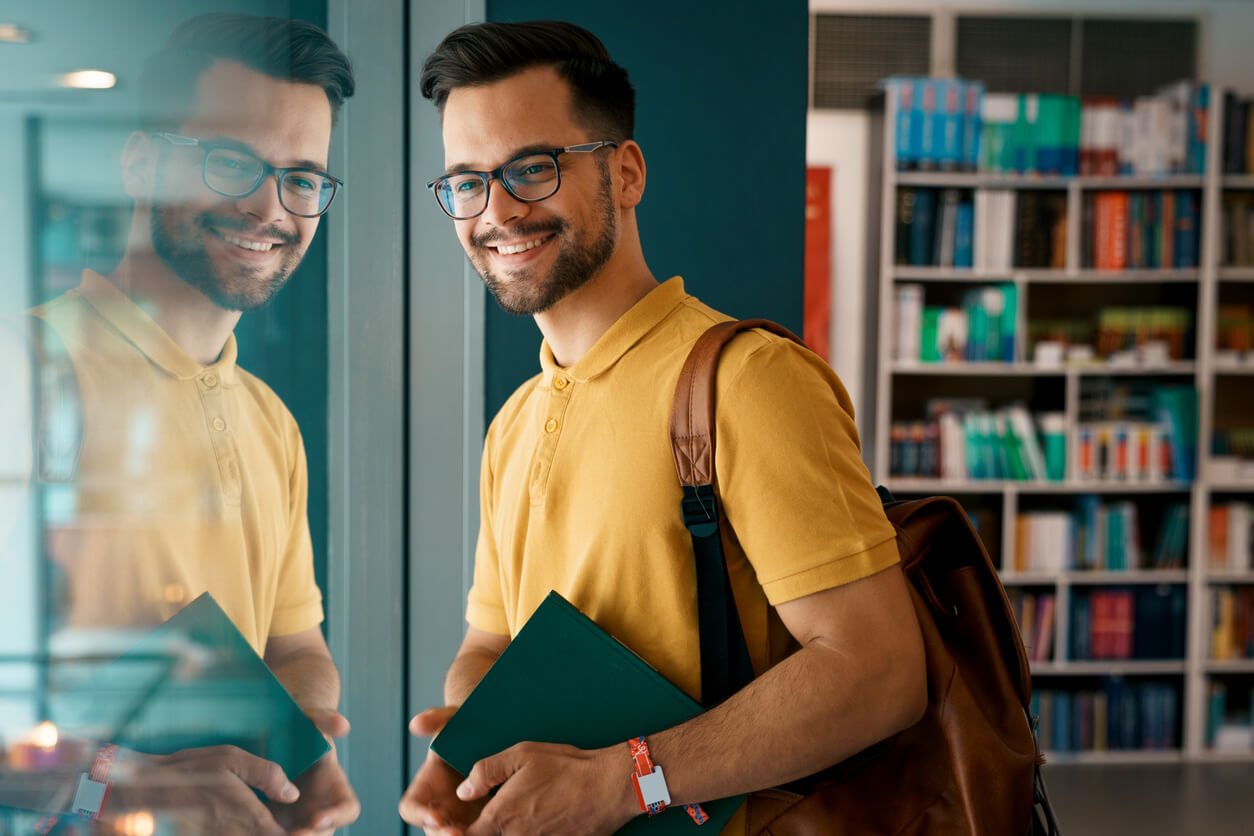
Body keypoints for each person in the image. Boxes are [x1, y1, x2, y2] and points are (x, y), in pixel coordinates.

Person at [399, 20, 927, 836]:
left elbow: (880, 672)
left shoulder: (749, 382)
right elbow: (488, 645)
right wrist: (469, 759)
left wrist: (620, 782)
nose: (496, 210)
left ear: (627, 171)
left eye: (532, 168)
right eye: (465, 181)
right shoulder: (515, 422)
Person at [0, 13, 358, 834]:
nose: (271, 207)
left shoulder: (271, 422)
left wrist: (296, 753)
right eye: (233, 162)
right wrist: (115, 786)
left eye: (303, 178)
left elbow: (297, 650)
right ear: (143, 164)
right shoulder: (21, 367)